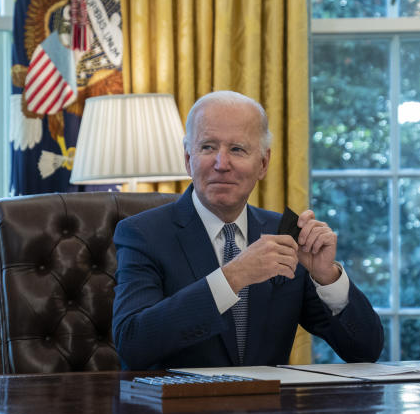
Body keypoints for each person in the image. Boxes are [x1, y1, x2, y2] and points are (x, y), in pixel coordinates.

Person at [112, 90, 384, 370]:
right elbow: (133, 343)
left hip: (268, 410)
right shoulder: (142, 234)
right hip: (176, 409)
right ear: (187, 159)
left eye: (237, 149)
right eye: (207, 147)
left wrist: (327, 278)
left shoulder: (286, 234)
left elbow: (364, 351)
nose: (221, 164)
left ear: (263, 163)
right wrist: (233, 276)